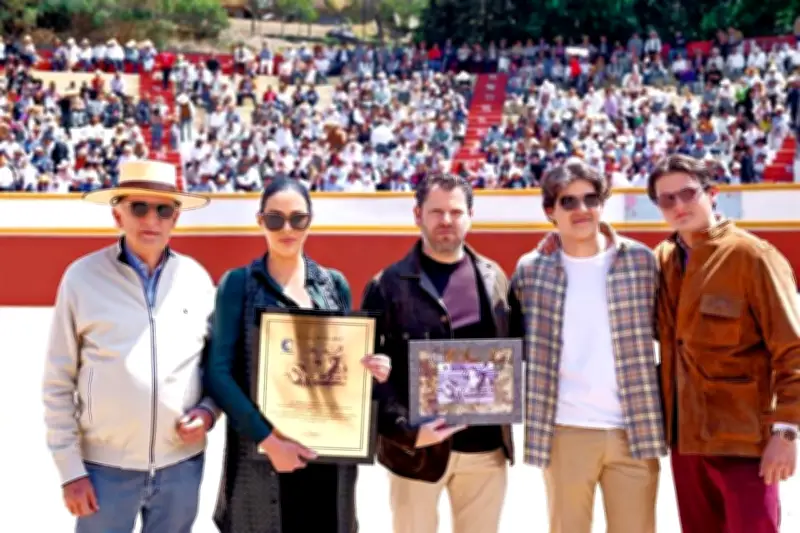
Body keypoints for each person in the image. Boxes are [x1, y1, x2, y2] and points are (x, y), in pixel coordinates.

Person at [204, 177, 391, 533]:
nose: (286, 229)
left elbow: (342, 366)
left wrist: (372, 368)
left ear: (310, 220)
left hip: (328, 457)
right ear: (260, 221)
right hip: (261, 457)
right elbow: (218, 373)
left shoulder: (333, 284)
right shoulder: (237, 285)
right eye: (275, 219)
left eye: (297, 219)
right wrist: (269, 440)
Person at [42, 160, 219, 533]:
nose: (150, 219)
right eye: (138, 207)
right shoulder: (81, 278)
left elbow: (214, 369)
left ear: (175, 219)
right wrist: (70, 470)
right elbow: (58, 382)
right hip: (104, 472)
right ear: (117, 215)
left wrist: (207, 411)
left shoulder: (198, 280)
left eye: (163, 209)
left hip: (180, 469)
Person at [508, 159, 666, 533]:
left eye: (590, 199)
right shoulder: (530, 271)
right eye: (568, 202)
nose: (581, 210)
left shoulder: (641, 262)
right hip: (565, 431)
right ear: (550, 211)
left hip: (634, 429)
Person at [648, 153, 800, 533]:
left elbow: (793, 349)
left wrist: (787, 431)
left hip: (744, 442)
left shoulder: (752, 256)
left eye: (688, 193)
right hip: (686, 442)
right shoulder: (661, 260)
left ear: (712, 193)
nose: (679, 205)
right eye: (667, 199)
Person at [360, 173, 513, 533]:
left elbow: (512, 353)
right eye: (436, 211)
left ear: (471, 216)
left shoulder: (494, 278)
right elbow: (366, 376)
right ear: (418, 215)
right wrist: (407, 430)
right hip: (416, 451)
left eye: (456, 212)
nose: (447, 220)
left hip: (485, 449)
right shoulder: (387, 285)